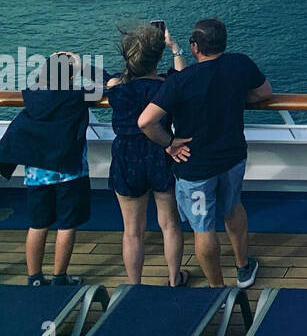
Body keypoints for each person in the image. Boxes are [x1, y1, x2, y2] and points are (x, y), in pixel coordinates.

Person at [138, 18, 271, 289]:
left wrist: (170, 142)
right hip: (232, 158)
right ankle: (243, 269)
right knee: (233, 209)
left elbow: (145, 122)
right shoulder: (240, 64)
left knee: (203, 227)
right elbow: (263, 93)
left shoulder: (181, 81)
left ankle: (216, 289)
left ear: (195, 46)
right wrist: (233, 97)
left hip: (195, 166)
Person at [0, 53, 97, 286]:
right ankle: (59, 277)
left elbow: (41, 86)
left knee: (37, 224)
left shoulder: (31, 95)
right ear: (71, 76)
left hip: (38, 173)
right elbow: (100, 87)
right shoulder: (77, 96)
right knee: (67, 224)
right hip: (70, 171)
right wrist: (81, 66)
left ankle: (34, 277)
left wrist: (54, 66)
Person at [106, 24, 187, 286]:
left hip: (127, 155)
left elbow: (114, 79)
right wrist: (174, 47)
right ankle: (174, 279)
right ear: (157, 58)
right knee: (170, 224)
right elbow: (182, 76)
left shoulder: (116, 86)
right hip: (161, 150)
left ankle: (135, 285)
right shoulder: (166, 86)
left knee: (132, 232)